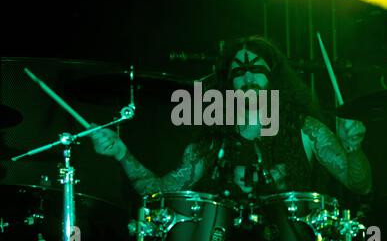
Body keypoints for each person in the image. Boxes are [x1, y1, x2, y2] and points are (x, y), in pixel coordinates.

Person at [91, 36, 372, 200]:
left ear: (274, 77)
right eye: (238, 72)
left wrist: (353, 148)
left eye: (255, 69)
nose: (248, 77)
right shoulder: (213, 140)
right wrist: (121, 152)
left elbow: (360, 184)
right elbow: (158, 193)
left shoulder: (307, 130)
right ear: (228, 85)